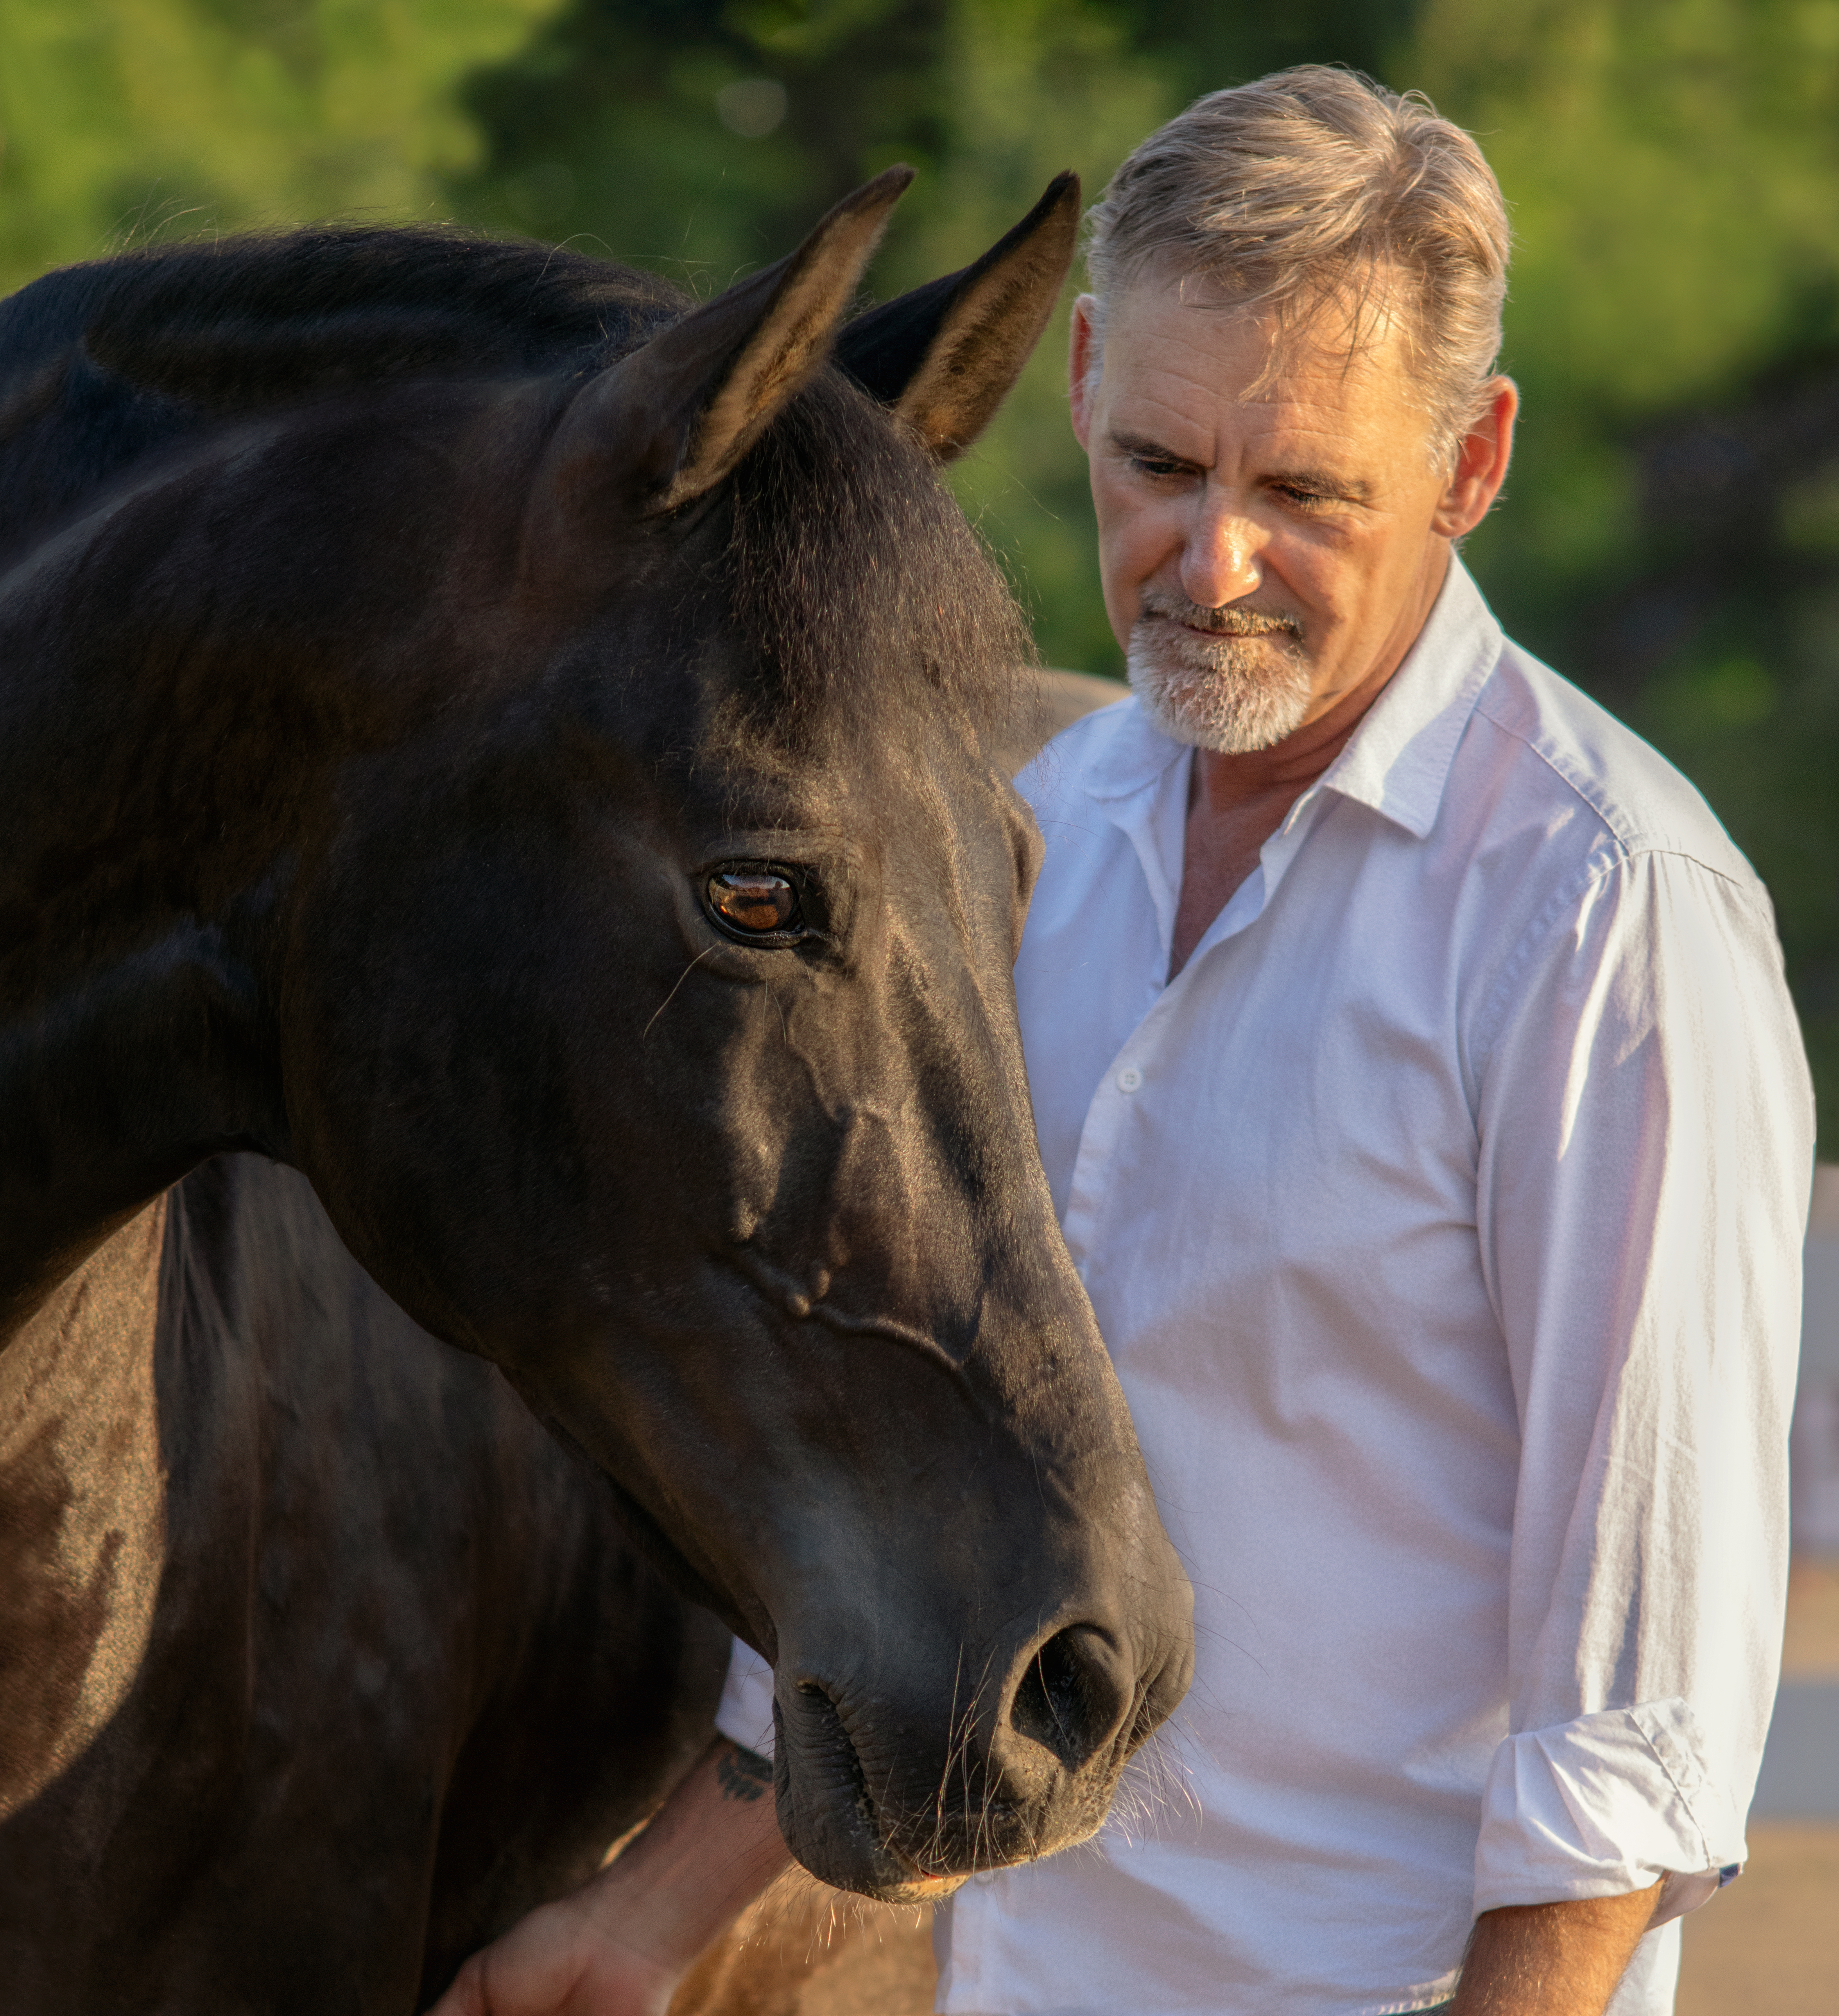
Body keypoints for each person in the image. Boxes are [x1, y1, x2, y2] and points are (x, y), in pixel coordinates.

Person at [434, 66, 1812, 2016]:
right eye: (1161, 465)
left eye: (1307, 495)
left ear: (1474, 462)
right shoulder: (1032, 838)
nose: (1211, 564)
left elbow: (1643, 1699)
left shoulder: (1608, 918)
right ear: (1080, 374)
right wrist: (639, 1920)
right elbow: (927, 1490)